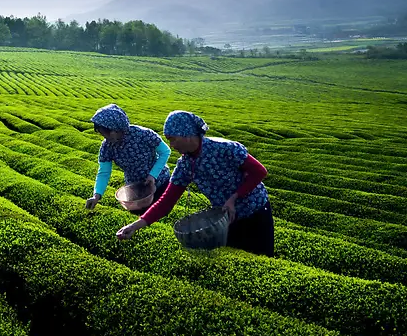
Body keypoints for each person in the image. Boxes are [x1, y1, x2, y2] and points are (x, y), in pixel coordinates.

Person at [115, 110, 274, 256]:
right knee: (240, 257)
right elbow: (166, 201)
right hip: (226, 217)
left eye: (173, 139)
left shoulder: (225, 148)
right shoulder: (185, 164)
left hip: (255, 210)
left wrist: (234, 198)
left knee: (263, 255)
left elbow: (259, 172)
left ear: (187, 135)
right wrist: (135, 226)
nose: (171, 145)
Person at [85, 104, 171, 213]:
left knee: (161, 214)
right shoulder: (107, 147)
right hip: (136, 190)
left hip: (160, 181)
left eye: (106, 133)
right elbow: (104, 172)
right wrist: (96, 195)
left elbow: (165, 152)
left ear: (116, 128)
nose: (106, 137)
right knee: (141, 221)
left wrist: (152, 175)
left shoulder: (143, 134)